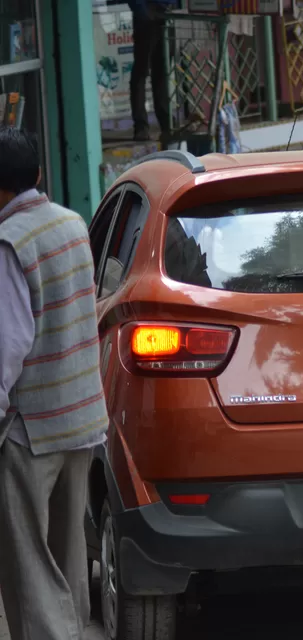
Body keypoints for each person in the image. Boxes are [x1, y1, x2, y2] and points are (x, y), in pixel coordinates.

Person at [0, 127, 109, 640]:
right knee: (67, 557)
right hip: (82, 418)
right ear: (39, 174)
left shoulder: (10, 242)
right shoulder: (72, 224)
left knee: (28, 564)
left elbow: (7, 347)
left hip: (31, 429)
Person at [128, 0, 176, 142]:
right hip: (146, 17)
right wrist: (142, 10)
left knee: (162, 72)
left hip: (166, 15)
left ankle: (166, 123)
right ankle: (141, 126)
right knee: (141, 72)